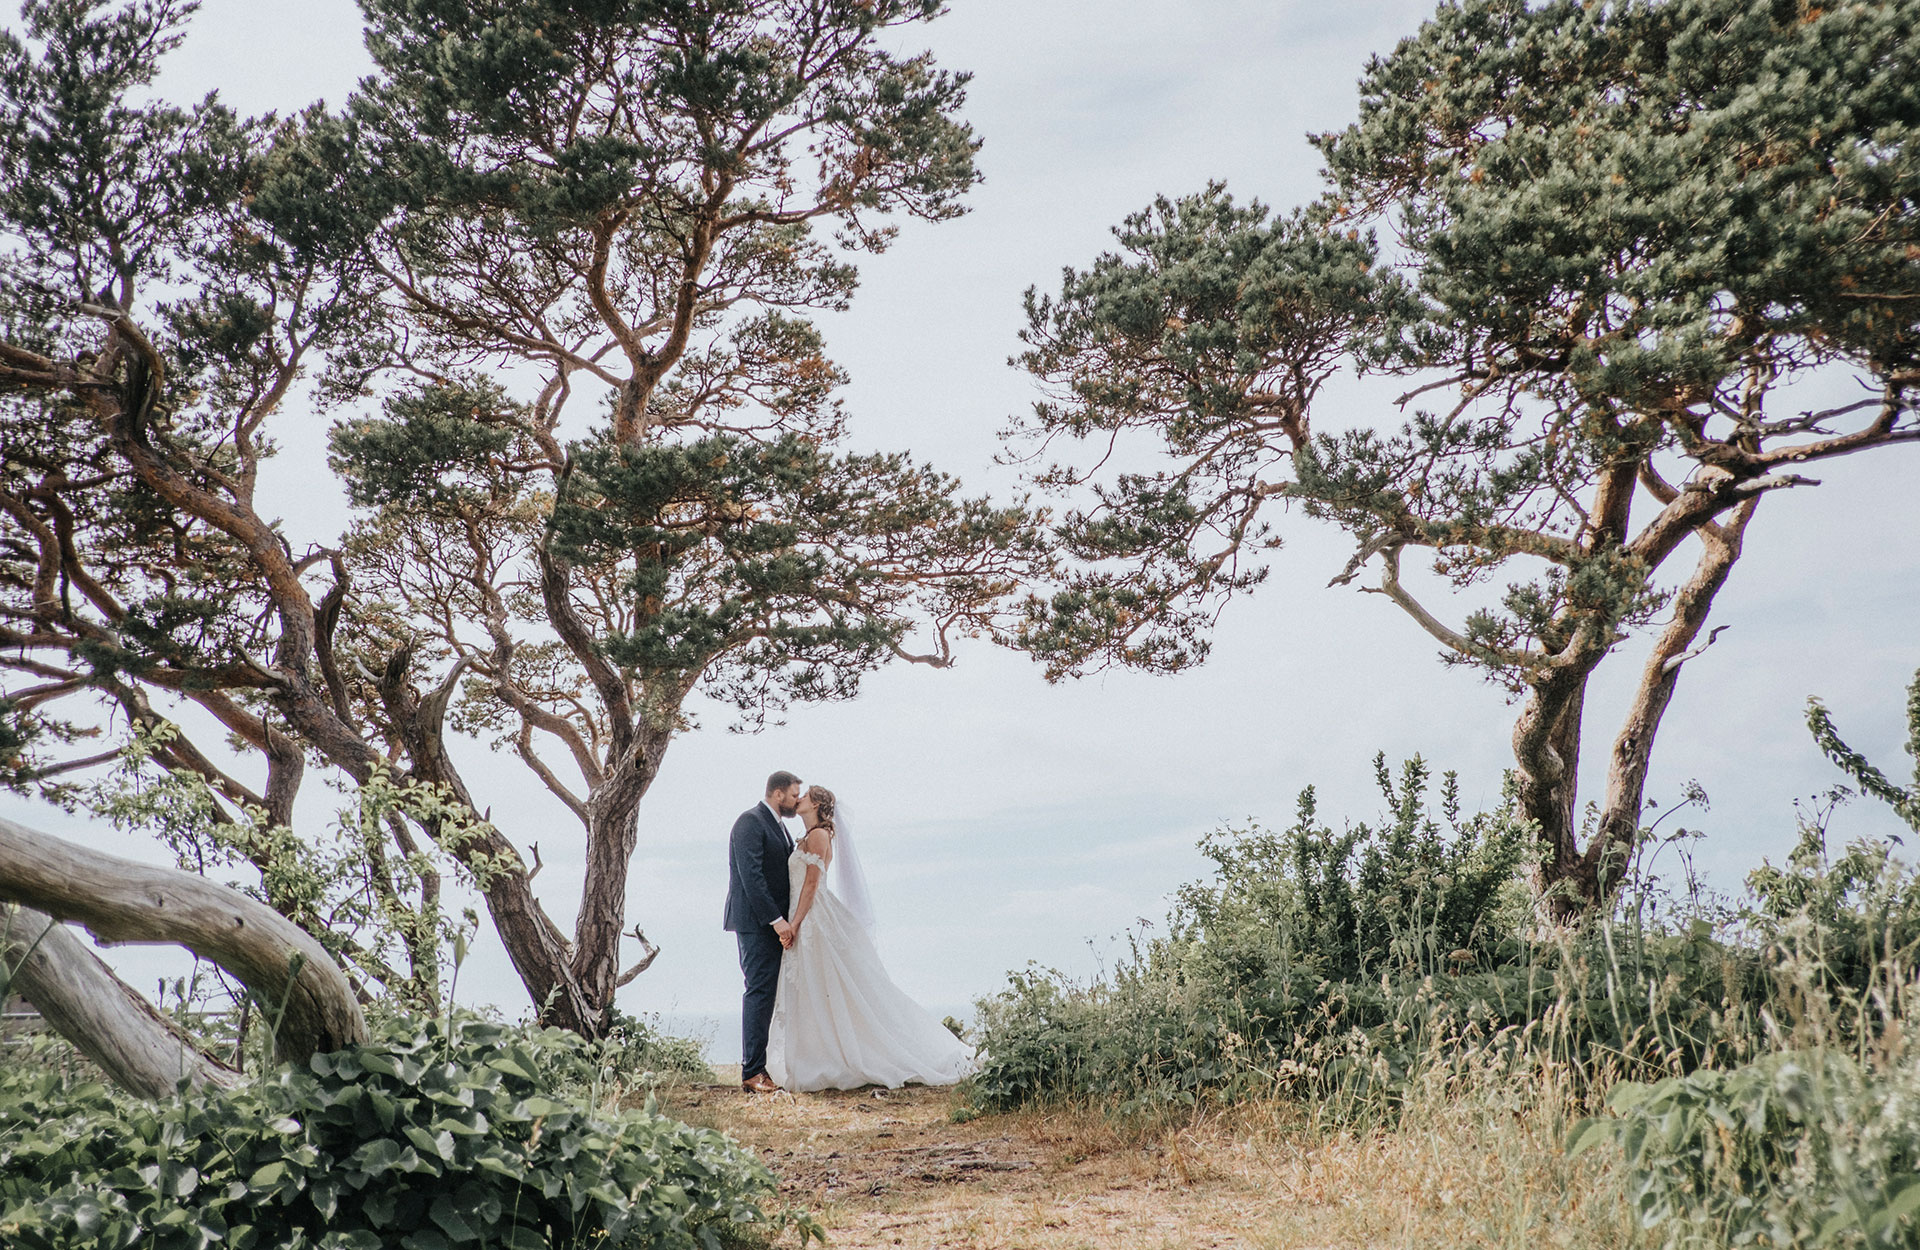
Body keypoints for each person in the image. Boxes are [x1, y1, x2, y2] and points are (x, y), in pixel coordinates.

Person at [763, 784, 977, 1092]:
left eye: (806, 796)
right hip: (805, 917)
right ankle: (818, 1056)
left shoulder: (819, 836)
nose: (799, 799)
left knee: (829, 985)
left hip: (812, 919)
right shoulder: (806, 838)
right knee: (814, 988)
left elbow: (811, 886)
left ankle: (840, 1057)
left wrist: (794, 924)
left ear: (817, 804)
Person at [723, 771, 802, 1094]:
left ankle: (760, 1068)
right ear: (778, 793)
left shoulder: (780, 827)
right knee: (758, 992)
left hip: (770, 923)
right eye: (795, 794)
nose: (798, 800)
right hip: (756, 923)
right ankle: (752, 1072)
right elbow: (751, 876)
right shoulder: (750, 822)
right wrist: (777, 920)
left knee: (767, 993)